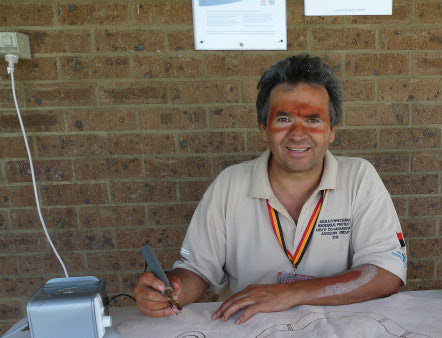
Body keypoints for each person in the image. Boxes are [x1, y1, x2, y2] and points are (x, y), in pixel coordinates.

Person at [135, 54, 407, 323]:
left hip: (341, 332)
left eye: (313, 119)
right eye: (284, 119)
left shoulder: (359, 177)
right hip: (248, 333)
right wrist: (169, 291)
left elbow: (386, 274)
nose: (298, 134)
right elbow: (197, 271)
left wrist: (290, 293)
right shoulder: (230, 183)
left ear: (332, 131)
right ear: (264, 129)